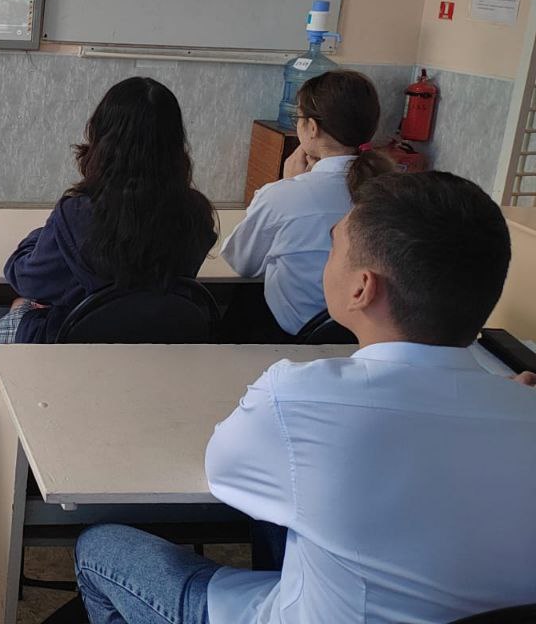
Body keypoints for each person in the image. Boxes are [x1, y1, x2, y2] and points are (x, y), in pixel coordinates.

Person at [75, 171, 536, 624]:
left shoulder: (295, 398)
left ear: (362, 287)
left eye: (334, 245)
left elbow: (222, 470)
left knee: (100, 548)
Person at [0, 77, 217, 345]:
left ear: (102, 139)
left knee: (18, 308)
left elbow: (29, 282)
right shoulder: (196, 215)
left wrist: (39, 237)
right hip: (164, 346)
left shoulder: (76, 215)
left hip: (78, 347)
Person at [221, 69, 391, 338]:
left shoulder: (283, 195)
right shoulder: (389, 192)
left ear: (312, 127)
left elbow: (242, 262)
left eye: (297, 118)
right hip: (361, 335)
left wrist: (287, 184)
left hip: (292, 334)